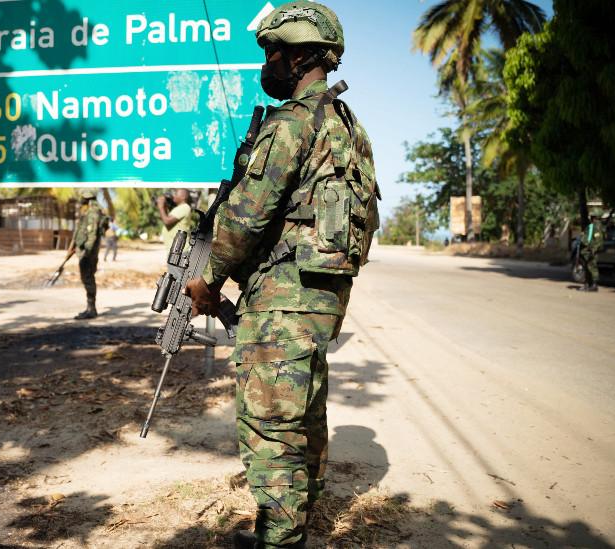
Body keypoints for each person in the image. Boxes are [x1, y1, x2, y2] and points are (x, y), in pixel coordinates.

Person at [184, 2, 380, 547]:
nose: (265, 63)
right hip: (317, 302)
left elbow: (246, 216)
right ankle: (296, 531)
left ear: (298, 56)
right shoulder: (347, 126)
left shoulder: (293, 123)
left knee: (271, 430)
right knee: (303, 419)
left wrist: (207, 279)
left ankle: (279, 539)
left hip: (282, 300)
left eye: (272, 52)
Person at [64, 190, 105, 319]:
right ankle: (90, 308)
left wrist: (87, 251)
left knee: (88, 278)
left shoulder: (93, 213)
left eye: (82, 197)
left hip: (88, 252)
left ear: (87, 198)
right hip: (87, 251)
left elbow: (92, 235)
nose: (80, 200)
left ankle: (91, 309)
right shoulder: (90, 212)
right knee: (87, 278)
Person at [578, 213, 603, 292]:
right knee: (587, 267)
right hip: (587, 250)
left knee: (592, 267)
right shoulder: (591, 226)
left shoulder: (596, 226)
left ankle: (594, 285)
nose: (591, 218)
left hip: (591, 250)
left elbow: (598, 241)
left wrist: (593, 249)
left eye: (592, 217)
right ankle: (588, 284)